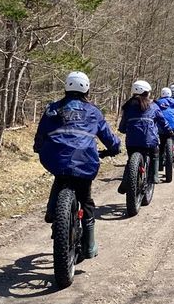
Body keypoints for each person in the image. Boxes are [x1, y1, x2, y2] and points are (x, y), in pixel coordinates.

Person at [34, 70, 121, 259]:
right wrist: (115, 148)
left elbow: (41, 134)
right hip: (85, 161)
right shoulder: (93, 112)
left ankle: (53, 211)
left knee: (60, 176)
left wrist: (38, 147)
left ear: (66, 87)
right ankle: (89, 246)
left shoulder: (53, 109)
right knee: (86, 200)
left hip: (57, 159)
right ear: (87, 89)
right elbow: (108, 137)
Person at [116, 79, 166, 194]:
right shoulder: (153, 106)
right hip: (149, 141)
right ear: (147, 92)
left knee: (130, 160)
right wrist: (168, 131)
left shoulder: (127, 106)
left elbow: (123, 124)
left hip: (132, 142)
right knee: (154, 154)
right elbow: (162, 121)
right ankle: (154, 176)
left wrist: (123, 130)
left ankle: (125, 181)